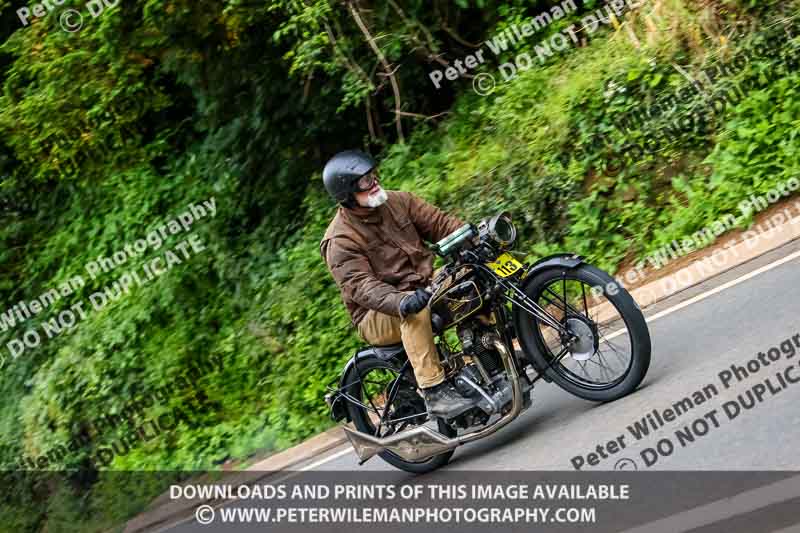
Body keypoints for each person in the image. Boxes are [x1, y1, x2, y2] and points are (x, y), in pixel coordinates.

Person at [319, 150, 480, 418]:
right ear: (346, 194)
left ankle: (488, 355)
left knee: (470, 279)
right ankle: (435, 391)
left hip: (424, 287)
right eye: (363, 181)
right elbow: (361, 286)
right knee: (415, 312)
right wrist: (401, 301)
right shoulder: (340, 240)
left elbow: (440, 223)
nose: (372, 182)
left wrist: (470, 237)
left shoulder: (398, 201)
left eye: (372, 175)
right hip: (376, 313)